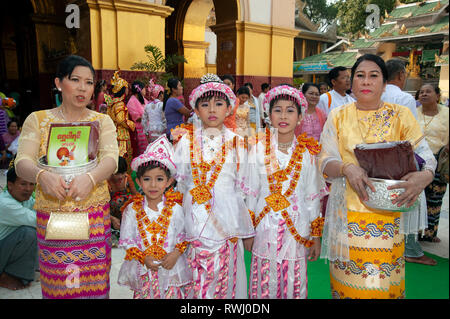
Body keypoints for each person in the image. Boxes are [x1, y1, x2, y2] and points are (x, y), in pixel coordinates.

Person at [318, 54, 436, 299]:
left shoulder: (401, 115)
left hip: (388, 219)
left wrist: (423, 176)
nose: (366, 81)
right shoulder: (338, 116)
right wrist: (347, 168)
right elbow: (325, 161)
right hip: (347, 217)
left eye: (374, 76)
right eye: (360, 75)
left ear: (384, 84)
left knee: (382, 287)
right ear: (352, 82)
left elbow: (426, 156)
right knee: (349, 288)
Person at [15, 55, 119, 299]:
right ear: (59, 83)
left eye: (89, 82)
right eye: (75, 80)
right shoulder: (38, 120)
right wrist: (42, 176)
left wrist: (91, 179)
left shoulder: (101, 121)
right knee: (60, 283)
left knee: (93, 283)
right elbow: (22, 162)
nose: (83, 87)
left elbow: (111, 160)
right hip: (55, 216)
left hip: (92, 215)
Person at [173, 74, 255, 299]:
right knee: (196, 275)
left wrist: (245, 226)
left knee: (224, 274)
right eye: (205, 104)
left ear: (229, 109)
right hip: (194, 218)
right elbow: (179, 186)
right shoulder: (185, 142)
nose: (212, 110)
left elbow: (242, 190)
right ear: (196, 110)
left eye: (219, 104)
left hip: (226, 218)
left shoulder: (238, 143)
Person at [246, 85, 327, 299]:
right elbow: (251, 194)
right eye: (277, 110)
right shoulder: (257, 150)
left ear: (300, 117)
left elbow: (312, 198)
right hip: (264, 228)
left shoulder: (308, 154)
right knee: (263, 281)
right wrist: (248, 232)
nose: (283, 116)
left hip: (296, 230)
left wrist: (316, 236)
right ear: (268, 115)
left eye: (290, 110)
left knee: (294, 281)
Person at [118, 135, 192, 299]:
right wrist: (143, 258)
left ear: (169, 182)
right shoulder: (132, 209)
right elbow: (127, 241)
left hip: (171, 269)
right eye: (147, 179)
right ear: (138, 181)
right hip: (143, 270)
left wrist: (174, 255)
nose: (153, 185)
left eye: (159, 179)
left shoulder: (176, 209)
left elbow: (184, 236)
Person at [416, 84, 449, 243]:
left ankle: (430, 233)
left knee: (435, 197)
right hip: (417, 161)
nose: (424, 94)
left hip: (440, 160)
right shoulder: (413, 114)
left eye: (428, 92)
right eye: (421, 92)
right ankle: (415, 232)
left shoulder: (447, 114)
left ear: (437, 96)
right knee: (417, 197)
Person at [0, 167, 37, 291]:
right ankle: (9, 275)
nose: (28, 189)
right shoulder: (5, 204)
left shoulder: (25, 199)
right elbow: (38, 221)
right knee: (29, 233)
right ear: (10, 185)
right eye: (23, 184)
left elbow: (40, 208)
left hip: (5, 248)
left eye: (32, 184)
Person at [106, 70, 135, 171]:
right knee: (123, 158)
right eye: (126, 88)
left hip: (115, 133)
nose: (128, 91)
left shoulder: (113, 103)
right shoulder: (119, 104)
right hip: (122, 135)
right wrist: (131, 124)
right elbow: (121, 119)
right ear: (123, 89)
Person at [108, 156, 139, 244]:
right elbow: (103, 207)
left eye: (123, 173)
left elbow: (136, 195)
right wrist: (112, 219)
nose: (121, 176)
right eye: (117, 173)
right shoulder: (106, 182)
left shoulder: (126, 178)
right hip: (112, 214)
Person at [127, 81, 149, 155]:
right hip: (139, 130)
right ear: (139, 90)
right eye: (144, 89)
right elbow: (136, 118)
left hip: (146, 128)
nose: (145, 90)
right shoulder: (131, 102)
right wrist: (148, 115)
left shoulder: (144, 99)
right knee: (142, 152)